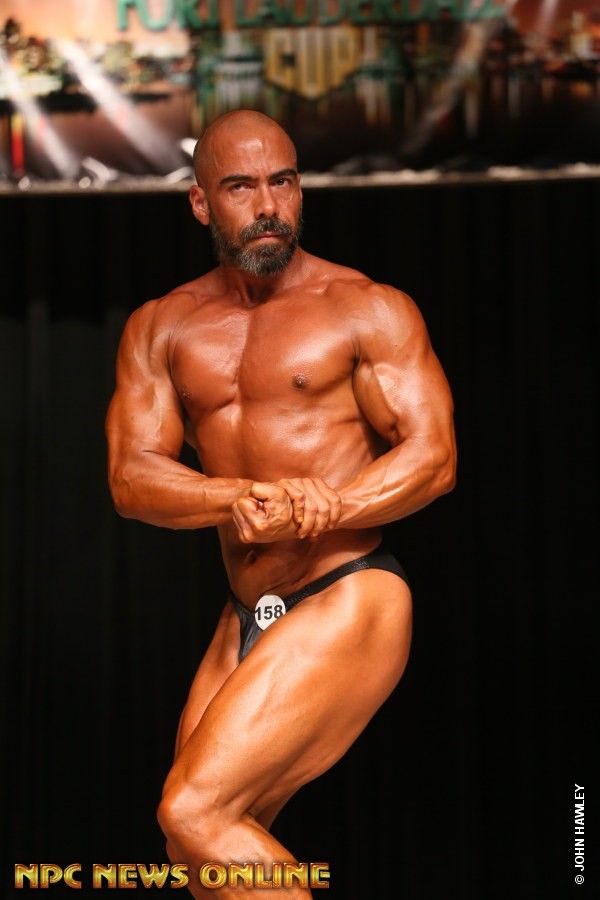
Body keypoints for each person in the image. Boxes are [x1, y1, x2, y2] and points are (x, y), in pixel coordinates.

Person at [105, 108, 457, 898]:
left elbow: (434, 458)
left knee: (194, 810)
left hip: (348, 591)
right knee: (194, 854)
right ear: (201, 203)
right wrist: (236, 496)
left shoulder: (365, 307)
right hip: (249, 610)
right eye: (241, 187)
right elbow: (131, 478)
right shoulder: (162, 327)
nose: (268, 205)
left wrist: (329, 507)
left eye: (284, 182)